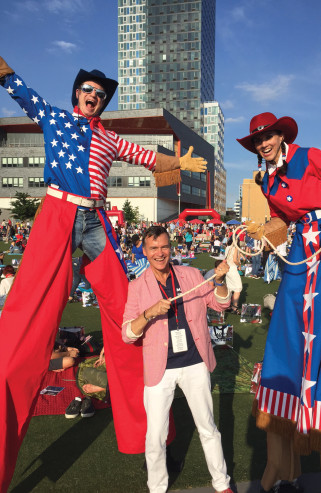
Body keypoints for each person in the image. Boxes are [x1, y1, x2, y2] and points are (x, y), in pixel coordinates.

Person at [0, 56, 207, 492]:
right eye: (88, 92)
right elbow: (23, 94)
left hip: (95, 223)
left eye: (100, 95)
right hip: (58, 212)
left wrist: (180, 165)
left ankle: (152, 433)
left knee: (127, 316)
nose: (94, 98)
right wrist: (6, 73)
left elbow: (150, 160)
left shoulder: (109, 139)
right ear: (77, 95)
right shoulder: (54, 119)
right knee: (30, 311)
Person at [237, 112, 321, 493]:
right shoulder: (267, 180)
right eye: (257, 140)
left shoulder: (310, 156)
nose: (263, 143)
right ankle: (286, 458)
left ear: (280, 136)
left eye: (268, 137)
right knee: (289, 323)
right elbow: (281, 220)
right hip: (301, 245)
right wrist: (260, 232)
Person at [122, 226, 232, 493]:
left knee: (207, 426)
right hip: (160, 370)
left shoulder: (191, 274)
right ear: (144, 252)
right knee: (155, 437)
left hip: (195, 363)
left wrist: (219, 281)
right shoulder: (137, 287)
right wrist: (148, 313)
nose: (160, 253)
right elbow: (127, 334)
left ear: (171, 248)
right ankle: (157, 488)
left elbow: (221, 305)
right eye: (153, 249)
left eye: (164, 247)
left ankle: (222, 484)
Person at [224, 237, 244, 314]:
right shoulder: (235, 247)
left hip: (227, 269)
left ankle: (227, 306)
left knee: (229, 288)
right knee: (237, 288)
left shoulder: (227, 247)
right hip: (232, 269)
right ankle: (234, 308)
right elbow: (235, 260)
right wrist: (239, 264)